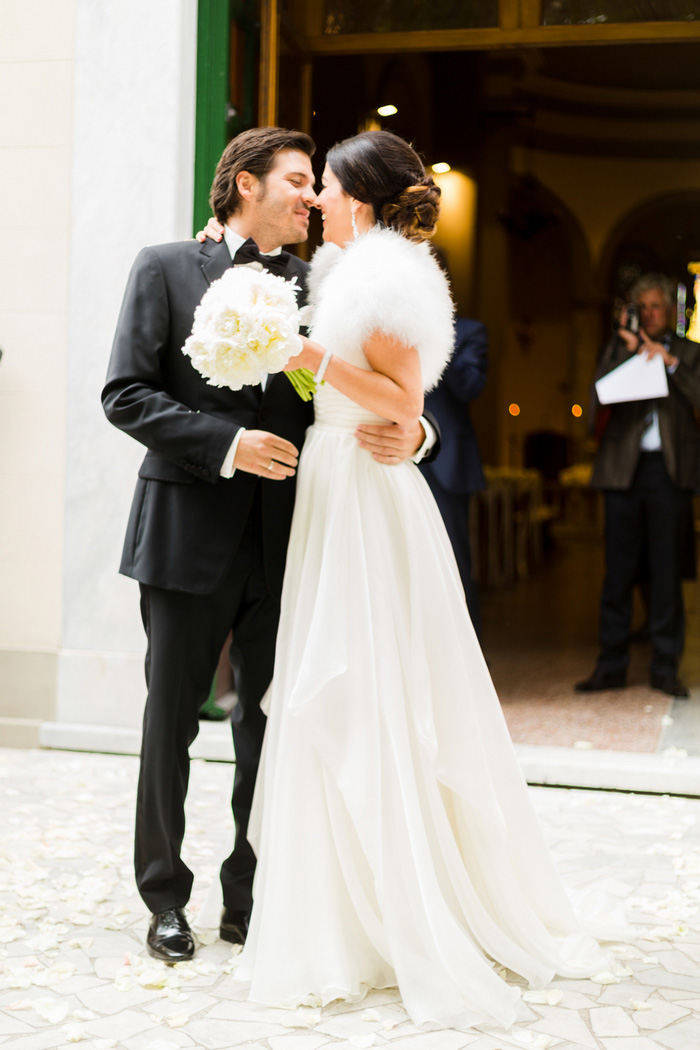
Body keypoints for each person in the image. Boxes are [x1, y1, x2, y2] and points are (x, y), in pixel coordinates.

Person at [231, 130, 609, 1031]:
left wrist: (308, 356)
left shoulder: (389, 277)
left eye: (324, 184)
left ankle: (399, 904)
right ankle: (340, 913)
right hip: (336, 478)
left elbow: (405, 402)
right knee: (341, 685)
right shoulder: (343, 271)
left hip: (364, 490)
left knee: (365, 686)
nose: (315, 197)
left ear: (359, 195)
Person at [102, 126, 433, 965]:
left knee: (271, 725)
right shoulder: (165, 266)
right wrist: (226, 443)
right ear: (246, 184)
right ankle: (163, 898)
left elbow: (367, 385)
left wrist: (416, 429)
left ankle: (249, 896)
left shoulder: (322, 287)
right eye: (295, 180)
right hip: (185, 533)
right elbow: (125, 394)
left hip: (294, 541)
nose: (310, 197)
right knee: (169, 719)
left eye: (316, 183)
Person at [576, 274, 700, 699]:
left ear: (671, 312)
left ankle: (665, 668)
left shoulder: (689, 353)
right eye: (642, 307)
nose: (649, 313)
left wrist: (668, 363)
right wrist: (628, 356)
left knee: (666, 573)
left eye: (656, 307)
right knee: (618, 573)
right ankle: (611, 665)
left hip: (669, 472)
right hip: (622, 472)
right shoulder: (617, 346)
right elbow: (596, 398)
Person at [420, 315, 487, 637]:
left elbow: (469, 387)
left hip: (446, 462)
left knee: (454, 562)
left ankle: (465, 651)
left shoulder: (469, 332)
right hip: (390, 457)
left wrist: (436, 338)